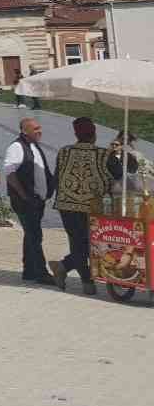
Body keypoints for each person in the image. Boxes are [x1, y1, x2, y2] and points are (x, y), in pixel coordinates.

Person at [49, 118, 134, 294]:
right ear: (94, 133)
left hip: (68, 206)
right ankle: (81, 278)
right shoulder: (104, 154)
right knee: (92, 245)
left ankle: (72, 272)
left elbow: (57, 177)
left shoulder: (64, 152)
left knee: (79, 244)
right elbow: (120, 175)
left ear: (75, 134)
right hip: (94, 208)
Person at [3, 117, 55, 284]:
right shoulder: (16, 147)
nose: (39, 131)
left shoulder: (34, 146)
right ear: (25, 131)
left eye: (40, 128)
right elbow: (10, 174)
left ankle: (29, 271)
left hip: (37, 200)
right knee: (34, 235)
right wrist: (24, 196)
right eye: (35, 129)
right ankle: (41, 272)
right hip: (25, 201)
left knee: (31, 234)